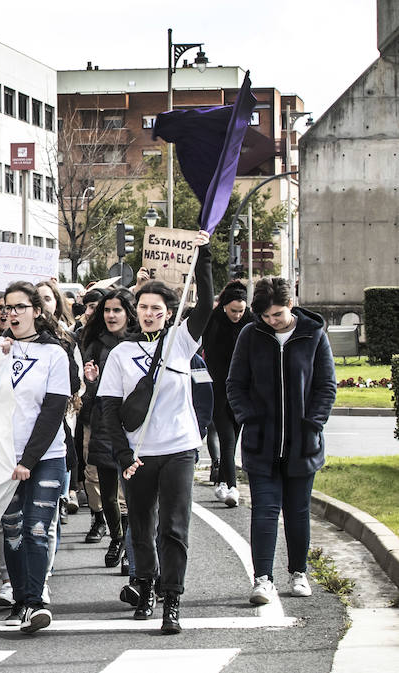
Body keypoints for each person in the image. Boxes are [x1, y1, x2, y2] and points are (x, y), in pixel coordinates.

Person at [98, 230, 212, 635]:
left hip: (179, 450)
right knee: (142, 526)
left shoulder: (180, 342)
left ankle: (172, 600)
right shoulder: (120, 354)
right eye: (143, 307)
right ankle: (144, 586)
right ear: (135, 311)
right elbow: (108, 410)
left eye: (156, 308)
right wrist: (123, 456)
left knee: (174, 528)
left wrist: (205, 256)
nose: (149, 313)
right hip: (138, 454)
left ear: (168, 311)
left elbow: (207, 307)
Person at [227, 277, 336, 605]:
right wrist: (250, 417)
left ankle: (299, 572)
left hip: (303, 443)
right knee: (264, 510)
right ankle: (262, 579)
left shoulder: (313, 335)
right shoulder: (250, 335)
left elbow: (326, 385)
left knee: (298, 511)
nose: (271, 321)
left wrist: (313, 424)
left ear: (291, 306)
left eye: (277, 315)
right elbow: (235, 384)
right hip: (262, 442)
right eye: (265, 316)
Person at [0, 282, 71, 635]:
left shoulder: (56, 354)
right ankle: (20, 599)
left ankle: (36, 602)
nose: (13, 314)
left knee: (38, 528)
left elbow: (53, 411)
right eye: (8, 308)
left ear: (37, 311)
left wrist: (29, 460)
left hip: (46, 456)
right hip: (3, 457)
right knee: (13, 531)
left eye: (21, 307)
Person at [80, 288, 136, 574]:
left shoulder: (140, 343)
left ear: (128, 312)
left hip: (134, 426)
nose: (111, 315)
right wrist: (92, 382)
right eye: (107, 310)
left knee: (130, 494)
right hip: (103, 423)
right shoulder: (95, 343)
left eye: (117, 310)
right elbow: (88, 396)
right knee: (108, 493)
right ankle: (117, 537)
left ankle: (129, 547)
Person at [203, 280, 253, 507]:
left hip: (243, 392)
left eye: (241, 311)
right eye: (233, 311)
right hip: (218, 390)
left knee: (233, 435)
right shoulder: (213, 321)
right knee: (227, 438)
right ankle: (232, 486)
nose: (237, 315)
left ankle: (222, 482)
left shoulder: (252, 323)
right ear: (224, 306)